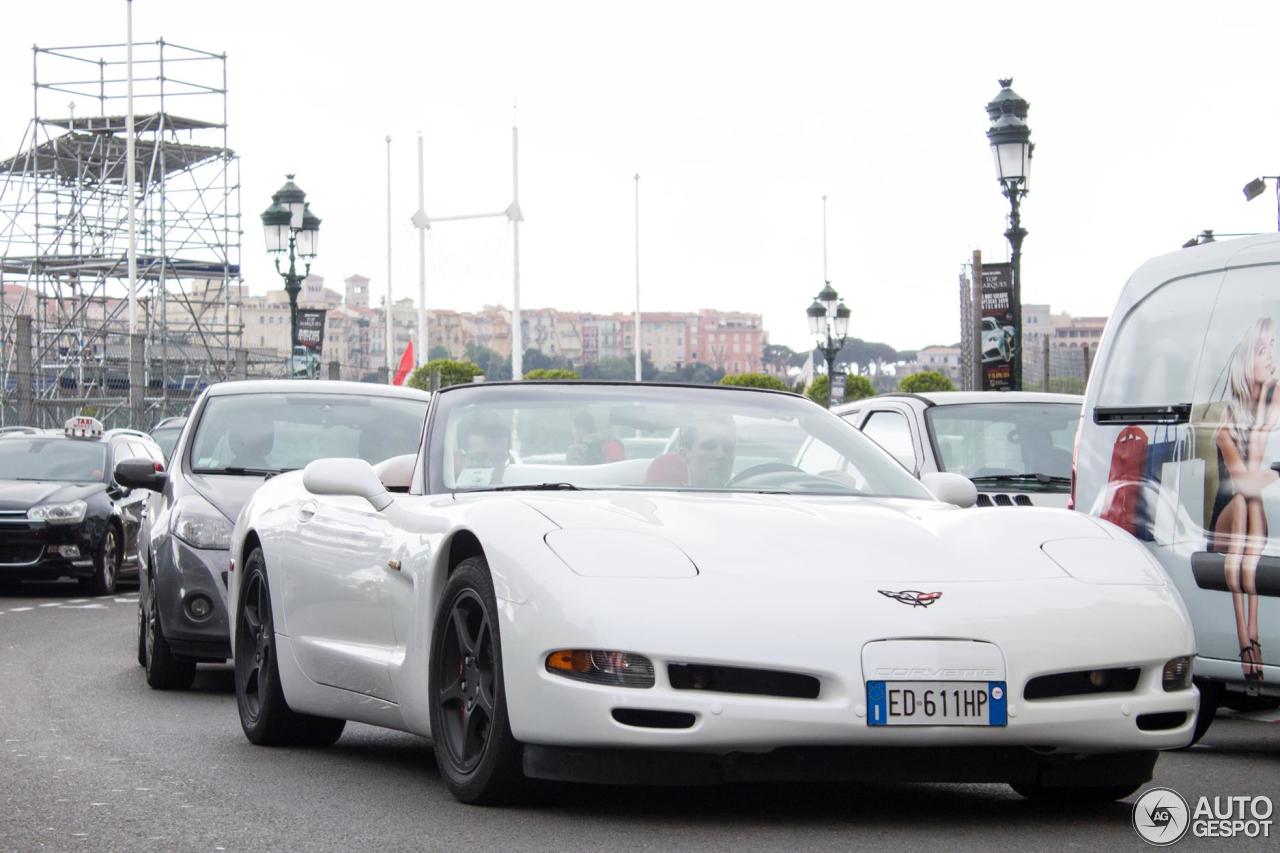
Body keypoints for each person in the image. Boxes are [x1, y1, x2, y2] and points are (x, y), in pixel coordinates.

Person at [1211, 317, 1280, 680]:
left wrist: (1265, 426)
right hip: (1227, 519)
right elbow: (1246, 482)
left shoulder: (1276, 397)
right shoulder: (1226, 423)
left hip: (1256, 519)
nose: (1271, 357)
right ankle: (1247, 636)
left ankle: (1249, 641)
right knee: (1242, 502)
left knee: (1249, 507)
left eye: (1273, 348)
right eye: (1262, 350)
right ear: (1244, 362)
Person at [644, 415, 737, 488]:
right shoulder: (666, 505)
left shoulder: (749, 503)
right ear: (684, 455)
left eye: (728, 447)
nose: (720, 455)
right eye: (709, 447)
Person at [455, 411, 512, 485]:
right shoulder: (441, 495)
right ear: (460, 459)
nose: (492, 469)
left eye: (499, 459)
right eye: (481, 459)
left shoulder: (520, 494)